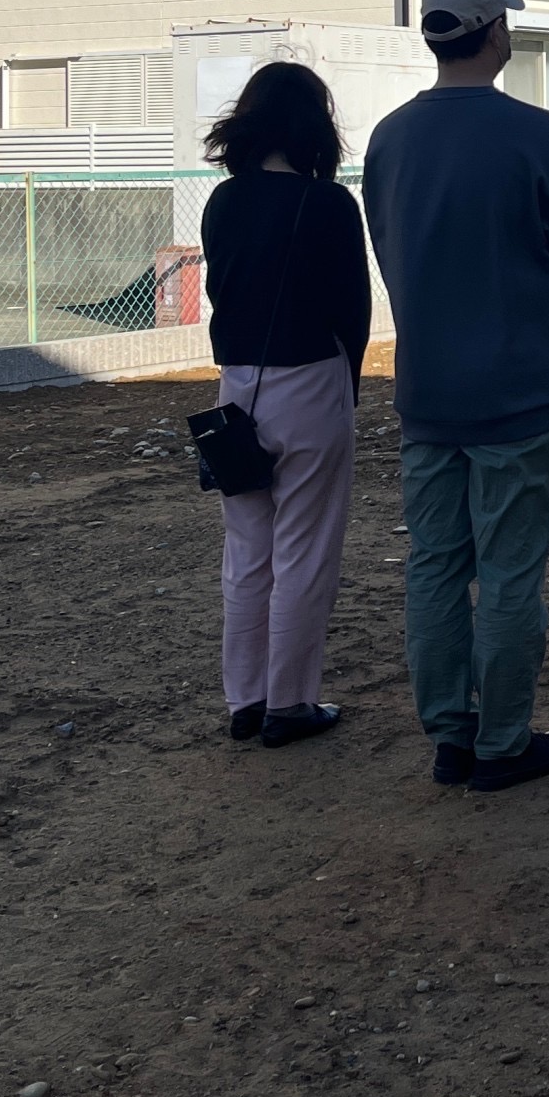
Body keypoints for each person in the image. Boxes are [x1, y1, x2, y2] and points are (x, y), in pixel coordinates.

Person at [362, 0, 549, 793]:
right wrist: (541, 340)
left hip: (427, 393)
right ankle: (502, 742)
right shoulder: (539, 136)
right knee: (509, 573)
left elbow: (392, 258)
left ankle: (449, 738)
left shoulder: (389, 139)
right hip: (517, 390)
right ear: (495, 33)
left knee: (433, 563)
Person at [200, 62, 372, 748]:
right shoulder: (328, 205)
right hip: (311, 383)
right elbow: (352, 312)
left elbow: (223, 297)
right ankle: (291, 705)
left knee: (246, 551)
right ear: (313, 127)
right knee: (303, 549)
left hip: (235, 389)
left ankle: (246, 700)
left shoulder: (222, 202)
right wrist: (348, 390)